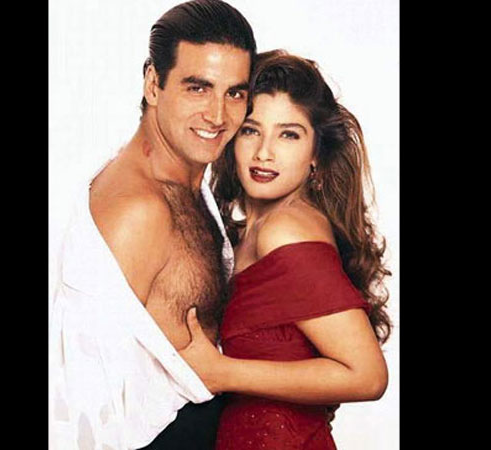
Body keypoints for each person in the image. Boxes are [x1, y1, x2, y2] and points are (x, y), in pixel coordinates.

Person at [48, 1, 256, 449]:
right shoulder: (138, 211)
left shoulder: (187, 180)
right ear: (153, 84)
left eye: (235, 93)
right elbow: (78, 411)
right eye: (198, 88)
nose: (218, 115)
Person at [179, 50, 393, 449]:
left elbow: (367, 375)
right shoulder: (250, 233)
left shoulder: (285, 231)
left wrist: (222, 372)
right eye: (251, 130)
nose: (264, 152)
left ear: (316, 156)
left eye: (288, 134)